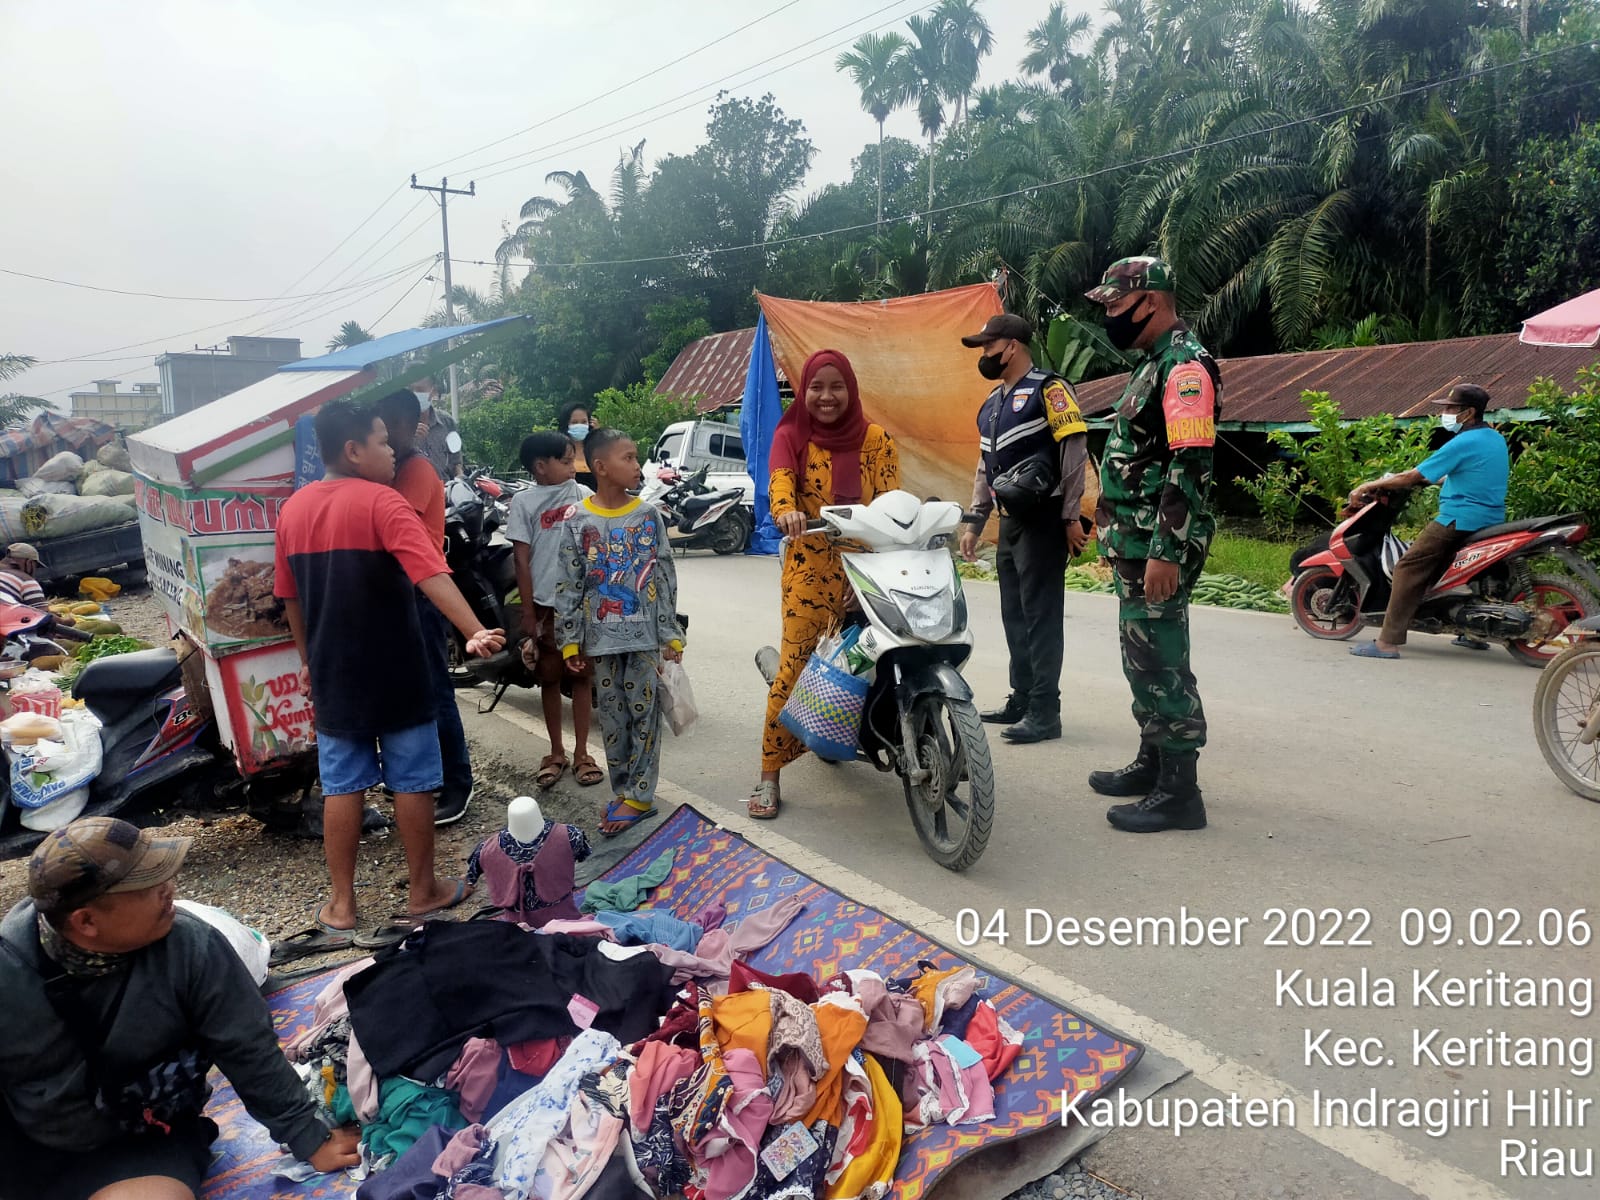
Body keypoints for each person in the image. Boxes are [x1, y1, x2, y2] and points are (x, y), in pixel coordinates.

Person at [0, 818, 362, 1200]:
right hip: (27, 1141)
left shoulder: (193, 948)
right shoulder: (9, 969)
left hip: (139, 1141)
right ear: (86, 921)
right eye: (149, 886)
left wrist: (309, 1136)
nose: (169, 890)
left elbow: (249, 1050)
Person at [273, 398, 504, 951]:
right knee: (414, 778)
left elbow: (291, 600)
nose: (392, 450)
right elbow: (430, 571)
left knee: (343, 784)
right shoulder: (383, 501)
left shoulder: (294, 510)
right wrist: (473, 628)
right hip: (398, 667)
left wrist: (308, 661)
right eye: (381, 442)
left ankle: (342, 906)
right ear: (352, 451)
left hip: (334, 671)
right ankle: (423, 891)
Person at [1085, 256, 1221, 834]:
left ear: (1153, 300)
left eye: (1116, 304)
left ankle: (1180, 791)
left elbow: (1190, 462)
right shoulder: (1153, 363)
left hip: (1158, 544)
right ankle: (1153, 760)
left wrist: (1167, 547)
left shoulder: (1186, 367)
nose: (1110, 316)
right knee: (1140, 653)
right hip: (1134, 540)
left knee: (1163, 658)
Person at [749, 350, 901, 820]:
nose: (826, 396)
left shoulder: (877, 440)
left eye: (837, 386)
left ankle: (885, 736)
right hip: (810, 571)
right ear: (804, 391)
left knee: (879, 658)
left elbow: (894, 502)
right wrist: (787, 512)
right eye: (817, 387)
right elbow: (780, 489)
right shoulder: (790, 435)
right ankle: (769, 775)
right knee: (795, 666)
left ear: (850, 389)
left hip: (869, 571)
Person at [956, 313, 1091, 745]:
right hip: (1011, 526)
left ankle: (1045, 710)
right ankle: (1022, 696)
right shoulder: (991, 405)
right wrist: (975, 520)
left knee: (1041, 618)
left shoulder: (1050, 389)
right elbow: (985, 466)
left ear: (1011, 346)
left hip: (1045, 522)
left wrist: (1071, 515)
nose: (984, 355)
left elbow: (1074, 450)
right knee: (1014, 614)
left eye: (988, 347)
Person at [552, 428, 685, 837]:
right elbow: (568, 583)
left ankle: (640, 797)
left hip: (644, 640)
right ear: (601, 467)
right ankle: (624, 790)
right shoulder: (577, 521)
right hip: (601, 642)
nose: (636, 465)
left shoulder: (648, 517)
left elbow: (662, 577)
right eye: (628, 458)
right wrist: (570, 639)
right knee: (612, 718)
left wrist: (670, 633)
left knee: (645, 716)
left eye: (636, 457)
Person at [1347, 383, 1509, 660]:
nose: (1444, 413)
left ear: (1468, 412)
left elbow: (1412, 476)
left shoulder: (1463, 442)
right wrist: (1439, 479)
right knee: (1455, 571)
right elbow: (1472, 473)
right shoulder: (1494, 438)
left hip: (1459, 519)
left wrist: (1369, 484)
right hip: (1491, 518)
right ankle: (1471, 633)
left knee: (1409, 566)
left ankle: (1387, 642)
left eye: (1450, 408)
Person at [377, 389, 476, 825]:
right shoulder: (394, 470)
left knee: (435, 691)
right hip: (398, 595)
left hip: (421, 592)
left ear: (402, 423)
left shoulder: (415, 469)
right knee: (408, 692)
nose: (380, 436)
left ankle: (457, 783)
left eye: (384, 428)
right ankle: (423, 778)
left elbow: (392, 531)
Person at [507, 431, 604, 791]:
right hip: (545, 607)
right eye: (565, 461)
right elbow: (521, 558)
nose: (573, 467)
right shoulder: (525, 502)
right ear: (540, 467)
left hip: (578, 605)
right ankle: (556, 751)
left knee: (581, 677)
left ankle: (582, 753)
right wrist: (529, 611)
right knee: (549, 676)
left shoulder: (582, 495)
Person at [414, 378, 463, 480]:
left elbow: (456, 461)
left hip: (446, 490)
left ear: (433, 391)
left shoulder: (447, 421)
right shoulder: (400, 427)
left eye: (419, 390)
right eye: (411, 390)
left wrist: (460, 479)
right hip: (417, 491)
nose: (415, 394)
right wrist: (411, 441)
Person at [557, 401, 595, 489]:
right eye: (574, 422)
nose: (580, 425)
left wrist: (598, 434)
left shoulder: (596, 450)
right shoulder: (557, 451)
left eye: (584, 422)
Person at [0, 543, 47, 608]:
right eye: (35, 566)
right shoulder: (25, 581)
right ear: (29, 562)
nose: (35, 570)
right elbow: (44, 615)